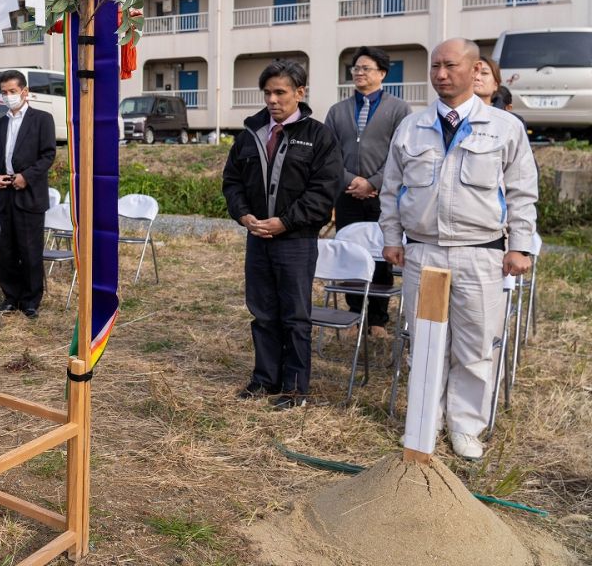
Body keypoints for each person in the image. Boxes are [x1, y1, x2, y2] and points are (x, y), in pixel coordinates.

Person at [380, 38, 538, 460]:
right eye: (435, 67)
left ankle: (467, 427)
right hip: (424, 253)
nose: (441, 74)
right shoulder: (412, 127)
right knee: (426, 342)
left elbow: (522, 193)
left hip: (480, 253)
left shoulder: (505, 128)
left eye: (450, 66)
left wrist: (519, 246)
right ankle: (424, 423)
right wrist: (392, 238)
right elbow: (392, 189)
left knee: (476, 345)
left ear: (474, 70)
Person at [223, 60, 342, 410]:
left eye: (281, 92)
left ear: (300, 93)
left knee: (294, 315)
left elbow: (323, 191)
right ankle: (264, 379)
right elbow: (232, 182)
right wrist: (244, 215)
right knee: (262, 312)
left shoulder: (318, 136)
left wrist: (285, 222)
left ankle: (294, 388)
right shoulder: (250, 134)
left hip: (296, 241)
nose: (273, 100)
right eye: (268, 93)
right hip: (257, 237)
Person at [322, 47, 412, 339]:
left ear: (382, 73)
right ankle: (352, 314)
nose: (359, 73)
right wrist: (352, 181)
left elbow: (400, 154)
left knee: (381, 253)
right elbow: (329, 153)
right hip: (346, 194)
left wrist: (373, 183)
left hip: (382, 196)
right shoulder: (337, 111)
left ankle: (378, 319)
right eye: (356, 68)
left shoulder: (399, 109)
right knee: (350, 253)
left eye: (366, 68)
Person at [0, 69, 57, 317]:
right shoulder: (0, 123)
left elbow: (48, 155)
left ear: (25, 92)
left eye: (12, 92)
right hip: (4, 193)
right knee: (6, 250)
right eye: (4, 92)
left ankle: (30, 300)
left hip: (29, 194)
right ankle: (10, 297)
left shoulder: (42, 119)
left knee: (29, 250)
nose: (8, 96)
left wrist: (26, 177)